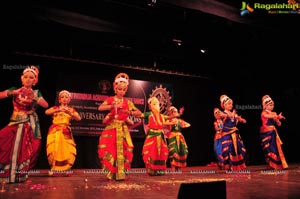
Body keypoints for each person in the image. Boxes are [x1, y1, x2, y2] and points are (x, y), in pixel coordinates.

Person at [0, 65, 49, 183]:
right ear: (22, 79)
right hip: (14, 122)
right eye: (25, 77)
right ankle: (6, 172)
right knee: (4, 141)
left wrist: (35, 98)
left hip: (27, 124)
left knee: (22, 149)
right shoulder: (15, 90)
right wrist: (12, 92)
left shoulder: (36, 92)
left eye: (31, 77)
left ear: (35, 81)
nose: (28, 79)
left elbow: (46, 105)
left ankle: (17, 175)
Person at [97, 72, 141, 181]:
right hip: (112, 128)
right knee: (111, 151)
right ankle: (112, 174)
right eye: (119, 89)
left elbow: (139, 113)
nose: (121, 91)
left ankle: (121, 174)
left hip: (123, 129)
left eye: (124, 90)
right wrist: (114, 106)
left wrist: (129, 112)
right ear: (115, 88)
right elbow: (100, 108)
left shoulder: (128, 102)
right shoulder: (111, 99)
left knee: (125, 151)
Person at [45, 90, 81, 176]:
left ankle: (66, 169)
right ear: (59, 100)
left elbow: (78, 118)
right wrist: (58, 110)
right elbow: (46, 112)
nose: (64, 99)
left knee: (69, 150)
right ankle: (54, 169)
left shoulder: (71, 109)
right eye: (62, 97)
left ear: (69, 100)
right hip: (55, 131)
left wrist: (69, 112)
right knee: (54, 150)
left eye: (66, 97)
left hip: (65, 131)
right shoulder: (55, 108)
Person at [139, 96, 176, 176]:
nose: (156, 106)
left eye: (157, 104)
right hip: (152, 136)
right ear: (150, 106)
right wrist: (132, 113)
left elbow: (169, 117)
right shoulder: (149, 114)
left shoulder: (161, 116)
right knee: (151, 152)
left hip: (160, 135)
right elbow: (140, 115)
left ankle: (160, 170)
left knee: (161, 153)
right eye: (154, 104)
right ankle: (151, 170)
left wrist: (178, 114)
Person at [218, 94, 247, 171]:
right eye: (228, 104)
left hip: (235, 134)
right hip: (227, 135)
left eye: (231, 104)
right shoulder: (224, 114)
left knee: (238, 149)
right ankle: (229, 165)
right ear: (224, 105)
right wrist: (218, 113)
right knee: (228, 149)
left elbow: (240, 119)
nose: (231, 105)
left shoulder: (234, 114)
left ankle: (236, 166)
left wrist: (242, 120)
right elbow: (220, 115)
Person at [260, 95, 288, 170]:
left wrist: (278, 119)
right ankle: (270, 164)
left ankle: (275, 165)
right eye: (270, 105)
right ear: (265, 106)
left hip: (273, 133)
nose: (272, 106)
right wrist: (276, 116)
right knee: (267, 149)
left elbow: (279, 124)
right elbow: (267, 116)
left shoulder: (274, 113)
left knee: (274, 148)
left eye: (273, 105)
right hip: (266, 133)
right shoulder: (263, 113)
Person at [166, 106, 190, 171]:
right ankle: (173, 167)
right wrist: (170, 123)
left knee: (181, 151)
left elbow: (187, 125)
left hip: (180, 137)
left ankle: (179, 166)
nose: (175, 113)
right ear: (171, 113)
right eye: (174, 112)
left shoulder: (180, 121)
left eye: (176, 112)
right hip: (172, 137)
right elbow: (164, 124)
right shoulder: (169, 120)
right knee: (173, 151)